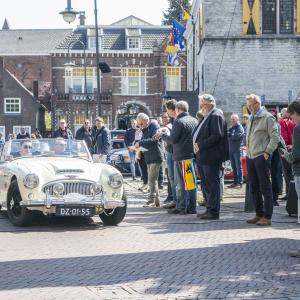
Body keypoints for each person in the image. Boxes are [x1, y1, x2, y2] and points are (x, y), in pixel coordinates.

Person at [156, 101, 198, 215]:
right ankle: (192, 207)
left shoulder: (179, 122)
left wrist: (162, 136)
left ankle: (181, 207)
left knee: (181, 183)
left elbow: (173, 140)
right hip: (191, 156)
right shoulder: (194, 120)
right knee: (190, 183)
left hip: (181, 156)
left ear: (178, 109)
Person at [245, 94, 280, 226]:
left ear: (257, 104)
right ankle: (259, 213)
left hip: (261, 156)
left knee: (265, 187)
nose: (248, 108)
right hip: (250, 156)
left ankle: (267, 216)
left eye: (250, 105)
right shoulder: (251, 118)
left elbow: (275, 136)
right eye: (247, 105)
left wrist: (267, 152)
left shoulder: (267, 117)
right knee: (254, 187)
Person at [193, 94, 228, 220]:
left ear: (209, 104)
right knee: (206, 184)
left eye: (202, 104)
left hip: (211, 156)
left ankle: (213, 211)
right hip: (203, 156)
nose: (201, 107)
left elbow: (217, 135)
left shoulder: (216, 115)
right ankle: (209, 208)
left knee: (212, 184)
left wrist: (200, 145)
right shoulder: (207, 116)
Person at [281, 101, 300, 257]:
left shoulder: (298, 129)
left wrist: (287, 155)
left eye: (292, 115)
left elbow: (296, 156)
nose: (291, 120)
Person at [135, 113, 165, 207]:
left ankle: (151, 200)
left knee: (152, 179)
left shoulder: (154, 126)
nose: (139, 126)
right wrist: (139, 149)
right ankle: (157, 201)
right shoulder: (144, 128)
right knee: (152, 179)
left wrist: (140, 143)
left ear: (145, 120)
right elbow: (145, 141)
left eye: (140, 124)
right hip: (149, 156)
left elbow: (154, 140)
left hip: (156, 156)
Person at [278, 107, 296, 200]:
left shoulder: (281, 122)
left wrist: (283, 149)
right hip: (293, 147)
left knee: (286, 173)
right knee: (291, 173)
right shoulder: (293, 121)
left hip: (285, 149)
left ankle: (290, 195)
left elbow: (283, 137)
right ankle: (289, 194)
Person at [161, 108, 176, 208]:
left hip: (172, 152)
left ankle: (173, 198)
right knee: (169, 175)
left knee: (172, 176)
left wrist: (163, 135)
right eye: (163, 117)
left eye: (166, 117)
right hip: (166, 153)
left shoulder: (170, 126)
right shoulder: (163, 127)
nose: (164, 118)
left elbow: (171, 140)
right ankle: (170, 196)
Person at [269, 108, 284, 206]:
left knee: (276, 174)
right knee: (267, 175)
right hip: (267, 151)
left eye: (274, 116)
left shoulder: (277, 125)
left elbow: (278, 138)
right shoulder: (267, 124)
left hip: (274, 152)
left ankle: (274, 197)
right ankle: (270, 197)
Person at [227, 114, 244, 188]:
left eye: (234, 120)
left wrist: (230, 136)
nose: (232, 121)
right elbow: (227, 135)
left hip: (237, 150)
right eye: (231, 120)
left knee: (238, 167)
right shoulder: (232, 128)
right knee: (233, 167)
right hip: (231, 150)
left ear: (237, 120)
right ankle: (235, 182)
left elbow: (236, 137)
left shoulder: (240, 128)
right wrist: (230, 136)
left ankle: (240, 183)